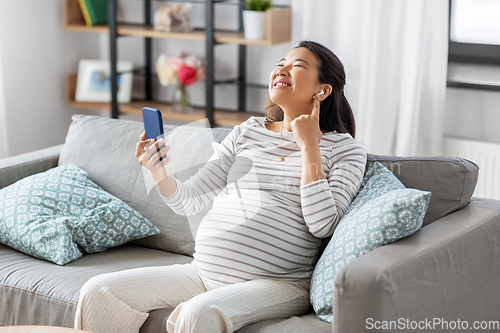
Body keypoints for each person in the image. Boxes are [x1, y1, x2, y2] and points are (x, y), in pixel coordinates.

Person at [74, 40, 367, 333]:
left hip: (279, 283)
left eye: (297, 66)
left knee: (197, 314)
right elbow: (189, 200)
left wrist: (310, 147)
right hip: (201, 273)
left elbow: (323, 225)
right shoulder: (248, 131)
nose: (282, 69)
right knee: (98, 291)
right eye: (281, 62)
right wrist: (157, 171)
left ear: (322, 89)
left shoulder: (345, 150)